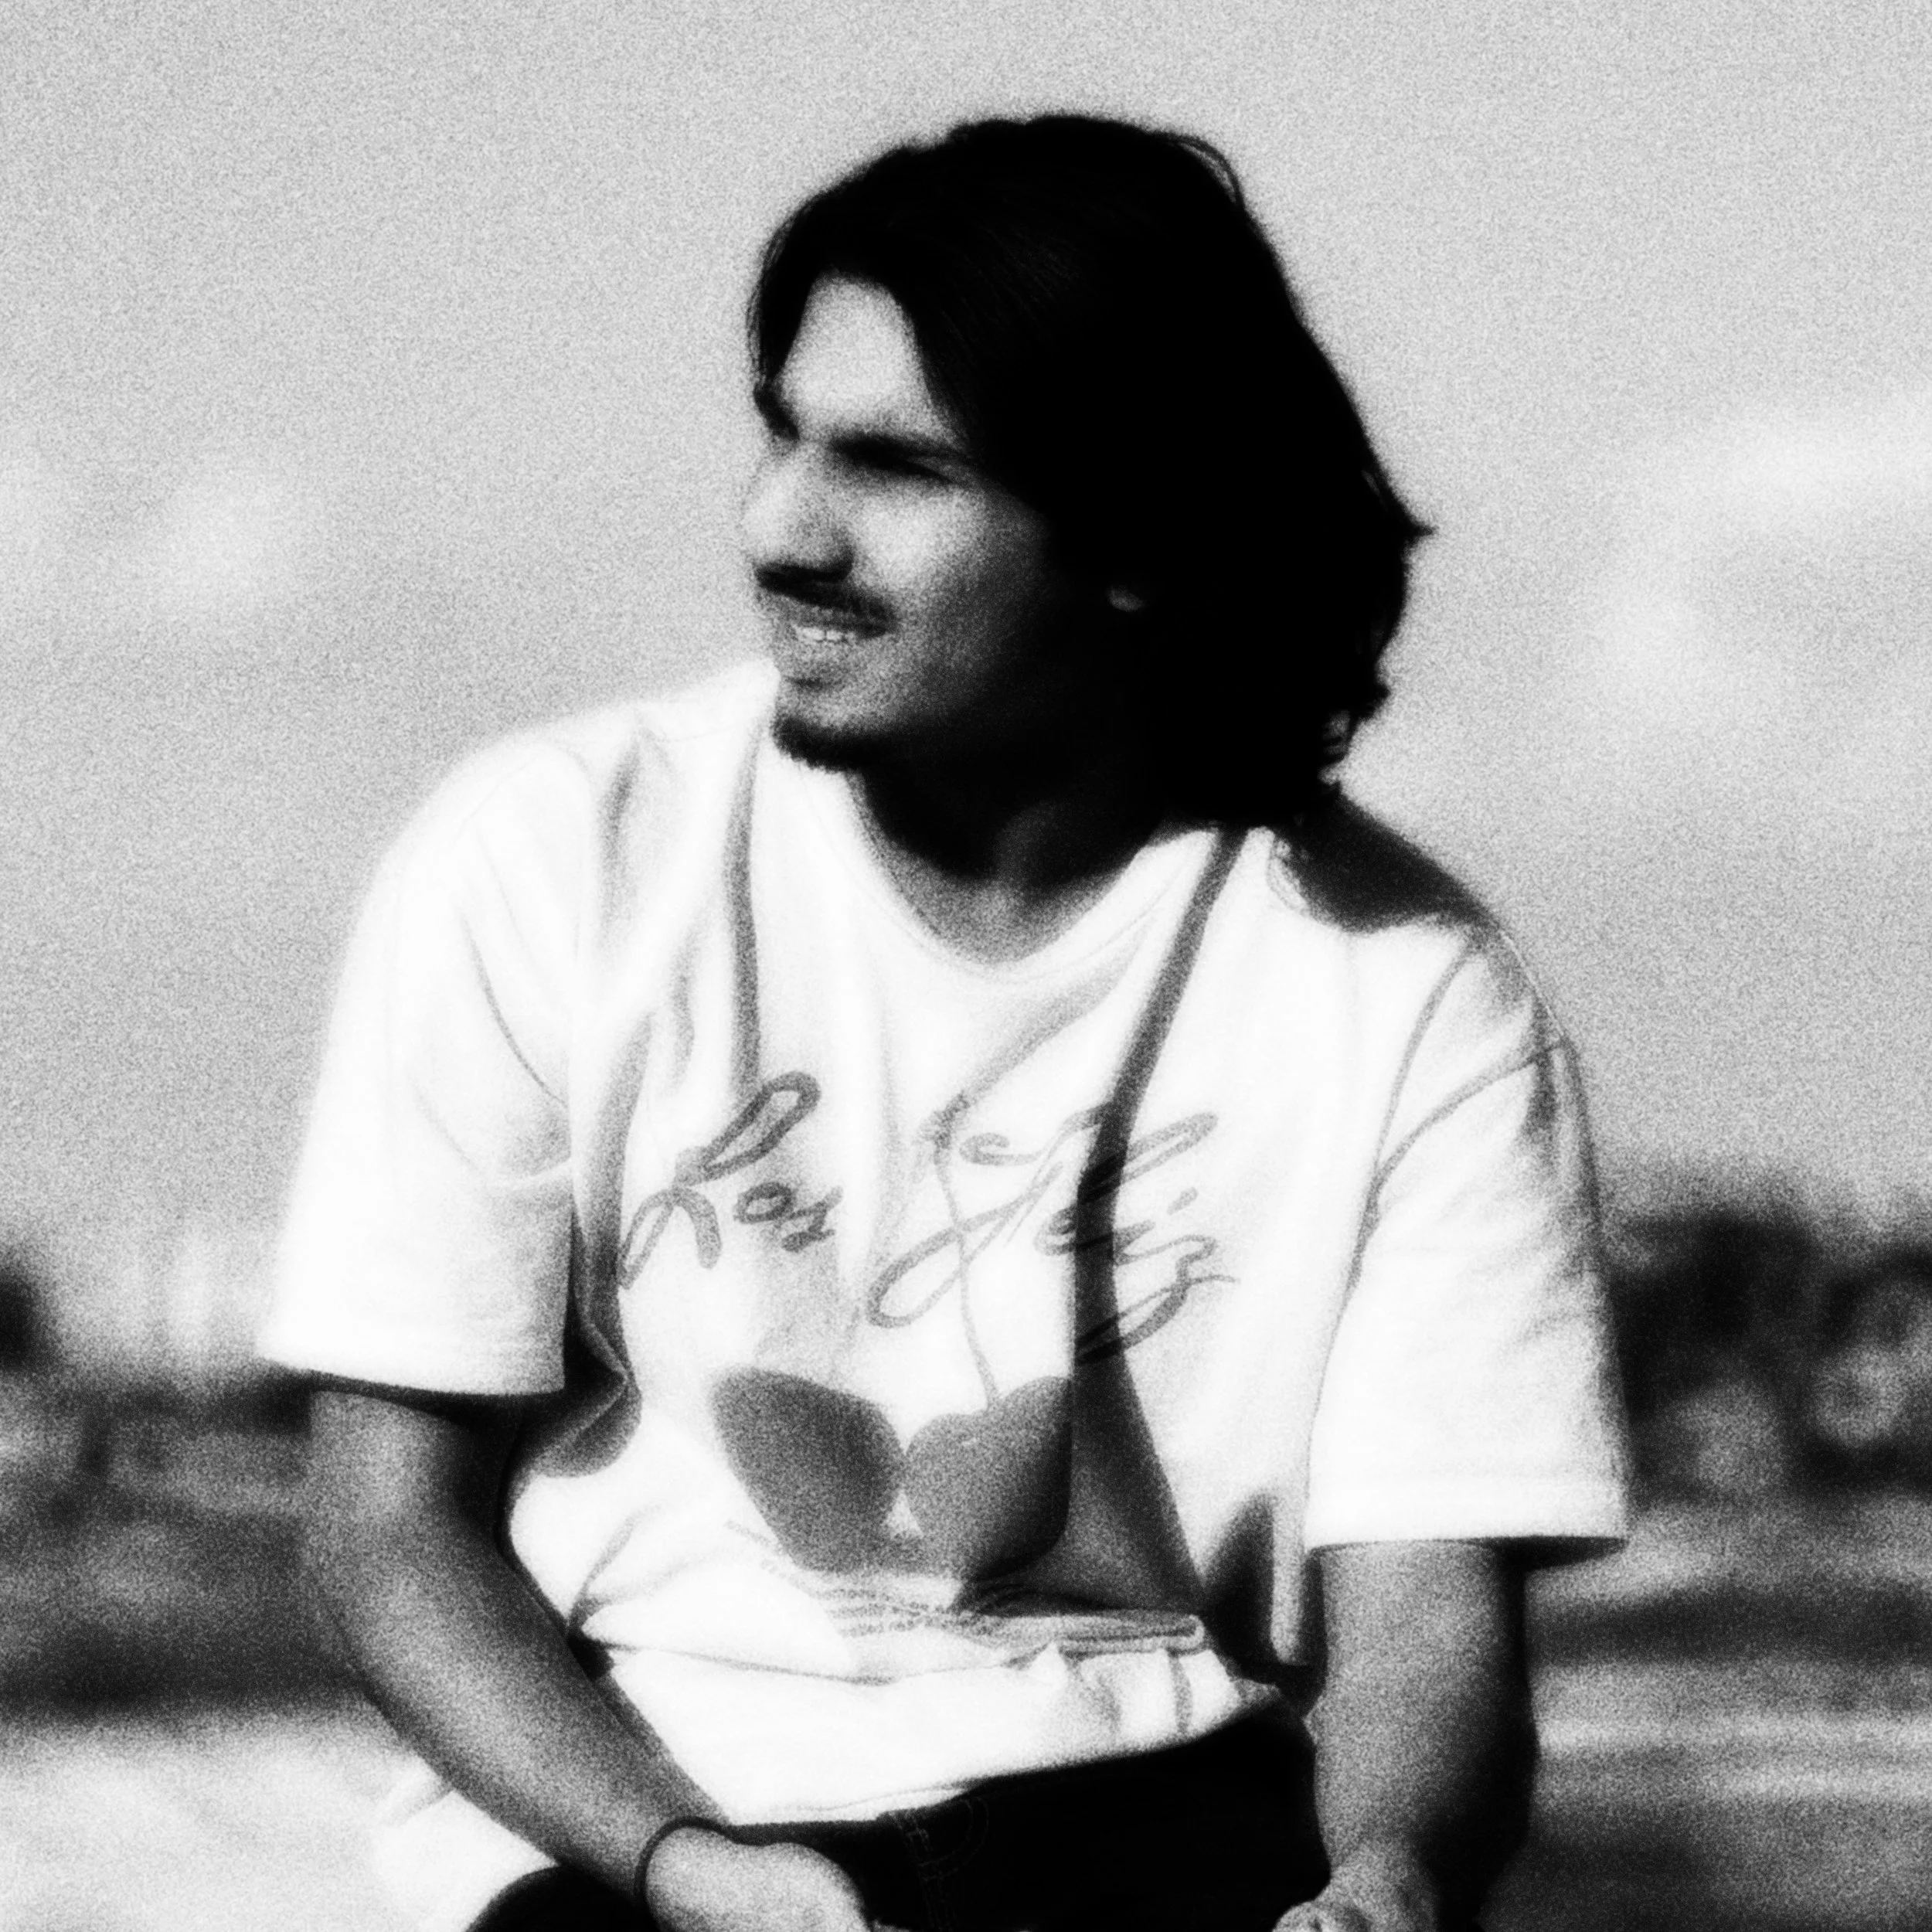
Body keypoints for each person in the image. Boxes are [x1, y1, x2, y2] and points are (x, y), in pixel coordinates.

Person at [262, 113, 1628, 1932]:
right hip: (634, 1826)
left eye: (895, 466)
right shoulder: (552, 855)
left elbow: (1424, 1626)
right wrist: (686, 1865)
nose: (778, 527)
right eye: (782, 433)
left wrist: (1386, 1876)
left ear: (1140, 536)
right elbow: (384, 1526)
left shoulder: (1410, 993)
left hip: (1160, 1824)